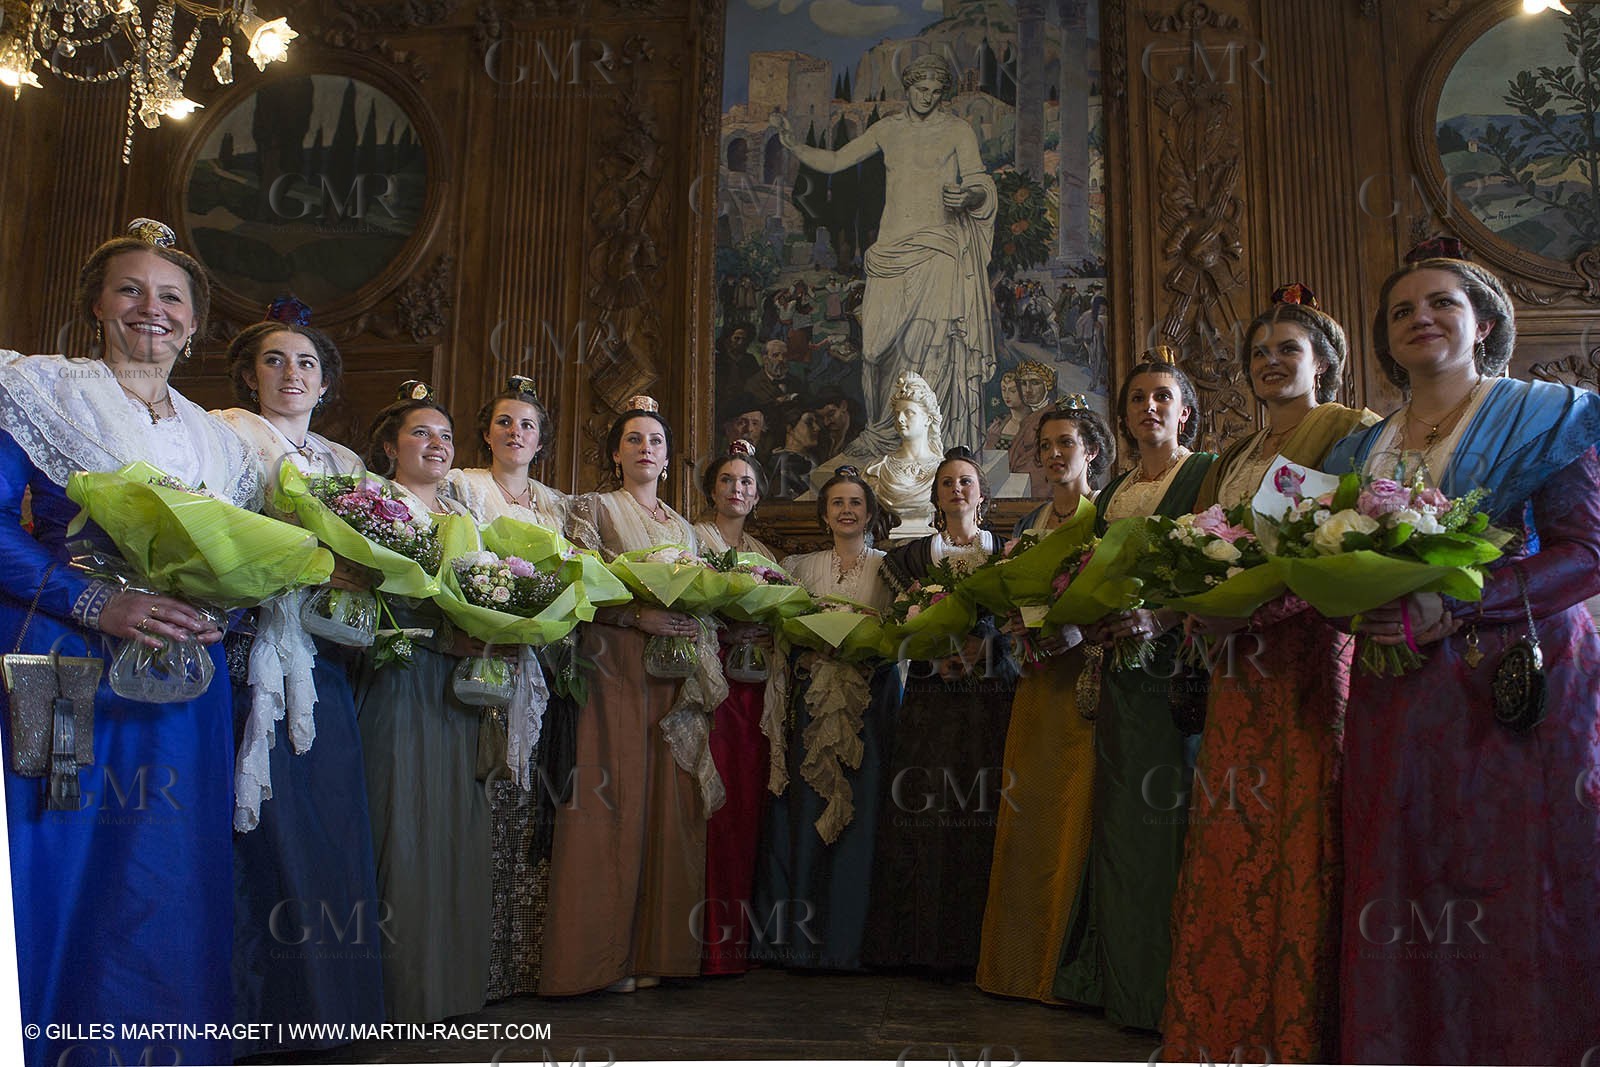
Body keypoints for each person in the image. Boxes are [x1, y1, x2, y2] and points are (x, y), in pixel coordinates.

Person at [1323, 243, 1600, 1066]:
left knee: (1504, 877)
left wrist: (1455, 604)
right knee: (1404, 875)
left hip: (1514, 691)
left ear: (1483, 324)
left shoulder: (1551, 413)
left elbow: (1588, 551)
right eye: (1402, 310)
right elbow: (1324, 559)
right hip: (1392, 691)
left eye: (1441, 303)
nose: (1420, 318)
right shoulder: (1354, 451)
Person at [0, 219, 256, 1067]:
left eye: (171, 295)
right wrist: (94, 599)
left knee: (170, 871)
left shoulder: (220, 437)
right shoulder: (38, 390)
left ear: (195, 319)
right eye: (130, 289)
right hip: (66, 664)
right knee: (65, 859)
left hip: (186, 676)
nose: (152, 308)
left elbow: (238, 554)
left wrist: (232, 604)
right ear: (97, 305)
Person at [1161, 286, 1376, 1062]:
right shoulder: (1237, 455)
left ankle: (1301, 1021)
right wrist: (1200, 604)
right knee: (1235, 827)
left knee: (1302, 820)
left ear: (1323, 360)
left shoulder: (1348, 432)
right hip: (1232, 665)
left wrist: (1252, 612)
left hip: (1307, 655)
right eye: (1259, 352)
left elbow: (1341, 548)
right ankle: (1232, 1016)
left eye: (1288, 348)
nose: (1270, 362)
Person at [214, 298, 385, 1054]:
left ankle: (333, 1005)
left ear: (325, 383)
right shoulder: (224, 434)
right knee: (264, 823)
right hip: (251, 652)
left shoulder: (345, 465)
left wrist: (360, 572)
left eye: (306, 363)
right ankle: (263, 1010)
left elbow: (378, 558)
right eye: (275, 360)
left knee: (330, 819)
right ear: (251, 375)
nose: (292, 373)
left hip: (325, 659)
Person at [1052, 348, 1216, 1031]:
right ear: (1121, 416)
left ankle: (1174, 994)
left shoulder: (1206, 476)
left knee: (1169, 825)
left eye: (1161, 397)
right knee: (1120, 826)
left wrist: (1164, 615)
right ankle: (1122, 986)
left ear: (1185, 412)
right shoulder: (1113, 492)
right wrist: (1087, 620)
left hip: (1179, 671)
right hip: (1120, 672)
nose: (1148, 407)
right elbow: (1086, 576)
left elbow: (1222, 569)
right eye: (1136, 399)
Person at [541, 396, 719, 996]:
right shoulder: (592, 507)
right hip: (612, 664)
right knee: (612, 797)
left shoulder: (684, 527)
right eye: (635, 440)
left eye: (657, 442)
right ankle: (599, 960)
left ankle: (657, 951)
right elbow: (574, 585)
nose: (647, 449)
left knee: (670, 802)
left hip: (674, 673)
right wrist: (633, 617)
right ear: (616, 453)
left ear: (668, 458)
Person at [776, 53, 997, 455]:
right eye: (920, 89)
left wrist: (969, 194)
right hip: (890, 253)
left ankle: (929, 442)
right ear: (908, 88)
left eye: (934, 91)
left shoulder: (957, 130)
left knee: (932, 345)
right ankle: (885, 431)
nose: (927, 97)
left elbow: (980, 180)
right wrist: (793, 144)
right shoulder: (888, 130)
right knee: (876, 348)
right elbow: (836, 161)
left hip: (939, 250)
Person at [355, 383, 490, 1022]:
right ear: (389, 447)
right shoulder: (375, 507)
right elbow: (372, 598)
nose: (435, 445)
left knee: (454, 822)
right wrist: (445, 631)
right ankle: (397, 992)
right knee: (399, 821)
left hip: (459, 690)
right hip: (399, 676)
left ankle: (448, 989)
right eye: (419, 434)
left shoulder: (467, 522)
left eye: (445, 436)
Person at [441, 375, 574, 1000]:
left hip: (540, 664)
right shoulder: (462, 486)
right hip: (476, 655)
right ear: (486, 433)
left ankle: (524, 964)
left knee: (530, 801)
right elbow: (448, 558)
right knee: (479, 795)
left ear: (541, 440)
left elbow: (581, 575)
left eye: (526, 425)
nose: (514, 433)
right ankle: (473, 964)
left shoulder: (559, 505)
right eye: (504, 423)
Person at [977, 398, 1113, 1003]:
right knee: (1027, 814)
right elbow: (1015, 596)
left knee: (1070, 814)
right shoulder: (1029, 527)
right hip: (1034, 680)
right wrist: (1016, 621)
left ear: (1092, 452)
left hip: (1082, 684)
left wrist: (1079, 627)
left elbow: (1116, 595)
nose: (1054, 455)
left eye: (1067, 444)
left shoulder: (1103, 521)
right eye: (1046, 446)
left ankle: (1060, 970)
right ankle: (1015, 966)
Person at [865, 445, 1018, 974]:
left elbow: (1025, 625)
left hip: (991, 697)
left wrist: (985, 647)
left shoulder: (1010, 554)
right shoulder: (909, 560)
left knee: (987, 808)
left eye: (966, 481)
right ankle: (924, 944)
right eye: (948, 482)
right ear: (935, 495)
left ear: (982, 492)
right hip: (932, 699)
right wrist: (935, 649)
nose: (957, 489)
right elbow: (895, 628)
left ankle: (987, 944)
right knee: (929, 807)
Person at [751, 466, 899, 970]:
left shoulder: (891, 566)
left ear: (870, 511)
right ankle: (801, 943)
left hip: (868, 704)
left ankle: (850, 943)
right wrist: (806, 652)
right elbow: (783, 629)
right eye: (837, 502)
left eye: (855, 502)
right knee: (807, 812)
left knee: (863, 813)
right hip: (812, 703)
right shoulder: (800, 565)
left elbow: (904, 633)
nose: (846, 510)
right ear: (824, 513)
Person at [692, 441, 781, 975]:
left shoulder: (766, 556)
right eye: (727, 480)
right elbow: (681, 599)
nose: (737, 489)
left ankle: (738, 944)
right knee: (709, 804)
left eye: (746, 482)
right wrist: (726, 625)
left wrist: (764, 630)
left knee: (747, 804)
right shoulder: (691, 540)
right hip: (707, 688)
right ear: (712, 489)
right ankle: (701, 944)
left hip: (751, 692)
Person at [982, 371, 1029, 451]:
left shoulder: (1034, 421)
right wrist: (990, 443)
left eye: (1013, 391)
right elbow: (988, 460)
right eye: (1003, 390)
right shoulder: (998, 423)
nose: (1006, 395)